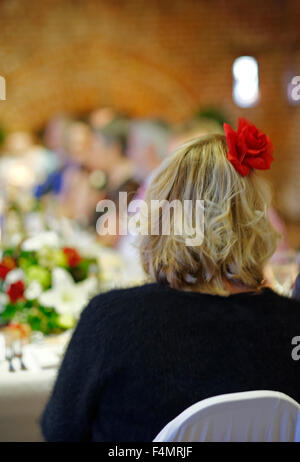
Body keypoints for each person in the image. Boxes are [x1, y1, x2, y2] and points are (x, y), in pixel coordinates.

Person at [41, 119, 300, 442]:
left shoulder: (112, 321)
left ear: (161, 214)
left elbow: (60, 431)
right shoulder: (292, 321)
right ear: (255, 217)